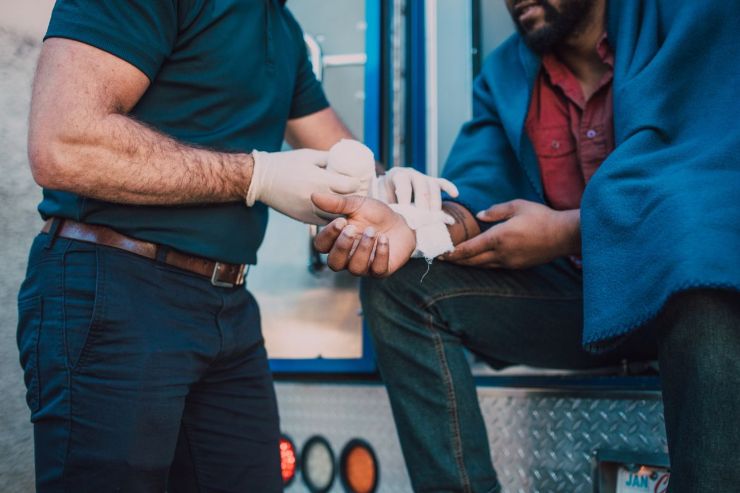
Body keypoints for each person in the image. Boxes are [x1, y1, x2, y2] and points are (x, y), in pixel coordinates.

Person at [16, 1, 451, 491]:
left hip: (228, 306)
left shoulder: (282, 29)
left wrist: (392, 192)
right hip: (116, 288)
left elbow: (343, 164)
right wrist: (256, 175)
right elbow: (63, 143)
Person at [311, 0, 740, 491]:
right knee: (401, 284)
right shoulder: (505, 73)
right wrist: (416, 228)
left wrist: (567, 232)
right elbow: (475, 191)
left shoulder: (698, 18)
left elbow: (712, 176)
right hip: (583, 307)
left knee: (705, 276)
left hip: (685, 294)